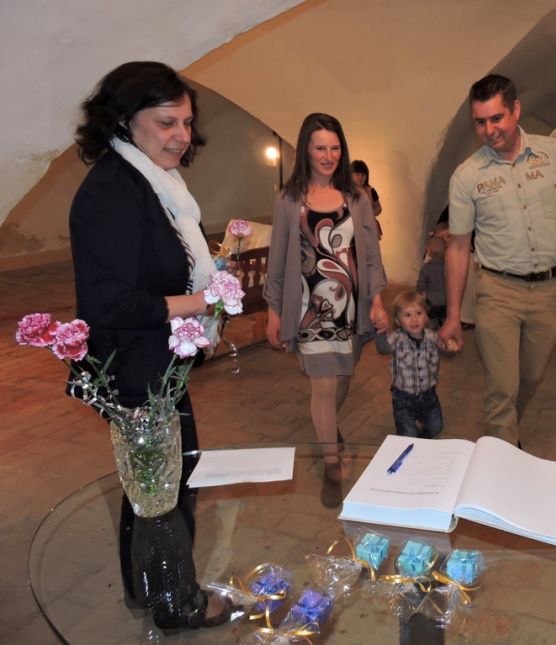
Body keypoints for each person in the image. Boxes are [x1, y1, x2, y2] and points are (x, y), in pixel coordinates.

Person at [69, 61, 226, 628]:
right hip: (135, 369)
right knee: (166, 488)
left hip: (156, 362)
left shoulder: (152, 182)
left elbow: (162, 263)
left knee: (153, 482)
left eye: (186, 122)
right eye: (166, 123)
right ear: (124, 120)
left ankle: (146, 588)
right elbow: (108, 303)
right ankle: (175, 604)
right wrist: (197, 303)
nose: (182, 136)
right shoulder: (113, 191)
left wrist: (209, 280)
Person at [440, 74, 556, 447]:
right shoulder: (467, 176)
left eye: (496, 118)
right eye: (480, 122)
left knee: (530, 377)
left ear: (515, 109)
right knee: (502, 387)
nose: (489, 130)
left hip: (549, 291)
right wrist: (452, 316)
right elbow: (458, 247)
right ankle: (502, 453)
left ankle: (504, 433)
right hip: (497, 291)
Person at [265, 113, 388, 485]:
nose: (328, 156)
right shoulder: (289, 200)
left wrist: (377, 300)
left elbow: (371, 256)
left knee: (342, 378)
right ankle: (332, 463)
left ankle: (327, 429)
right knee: (324, 384)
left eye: (335, 148)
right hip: (309, 311)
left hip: (351, 310)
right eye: (320, 148)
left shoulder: (357, 198)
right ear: (306, 149)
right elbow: (278, 256)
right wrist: (273, 310)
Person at [375, 291, 452, 438]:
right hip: (403, 399)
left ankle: (421, 440)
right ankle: (410, 440)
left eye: (419, 313)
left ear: (426, 316)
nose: (414, 319)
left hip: (429, 396)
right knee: (408, 433)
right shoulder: (397, 338)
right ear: (398, 321)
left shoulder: (432, 336)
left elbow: (446, 351)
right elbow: (383, 349)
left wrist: (449, 346)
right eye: (407, 315)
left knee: (436, 427)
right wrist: (380, 332)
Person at [417, 236, 447, 328]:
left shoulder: (426, 268)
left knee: (432, 323)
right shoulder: (448, 267)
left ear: (429, 252)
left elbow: (421, 285)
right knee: (445, 322)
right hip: (446, 302)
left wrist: (418, 292)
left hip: (431, 303)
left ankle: (433, 334)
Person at [351, 159, 383, 237]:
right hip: (352, 228)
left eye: (363, 175)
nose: (360, 177)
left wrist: (369, 213)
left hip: (369, 227)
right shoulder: (346, 192)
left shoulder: (371, 191)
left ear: (367, 176)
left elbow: (378, 208)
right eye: (357, 174)